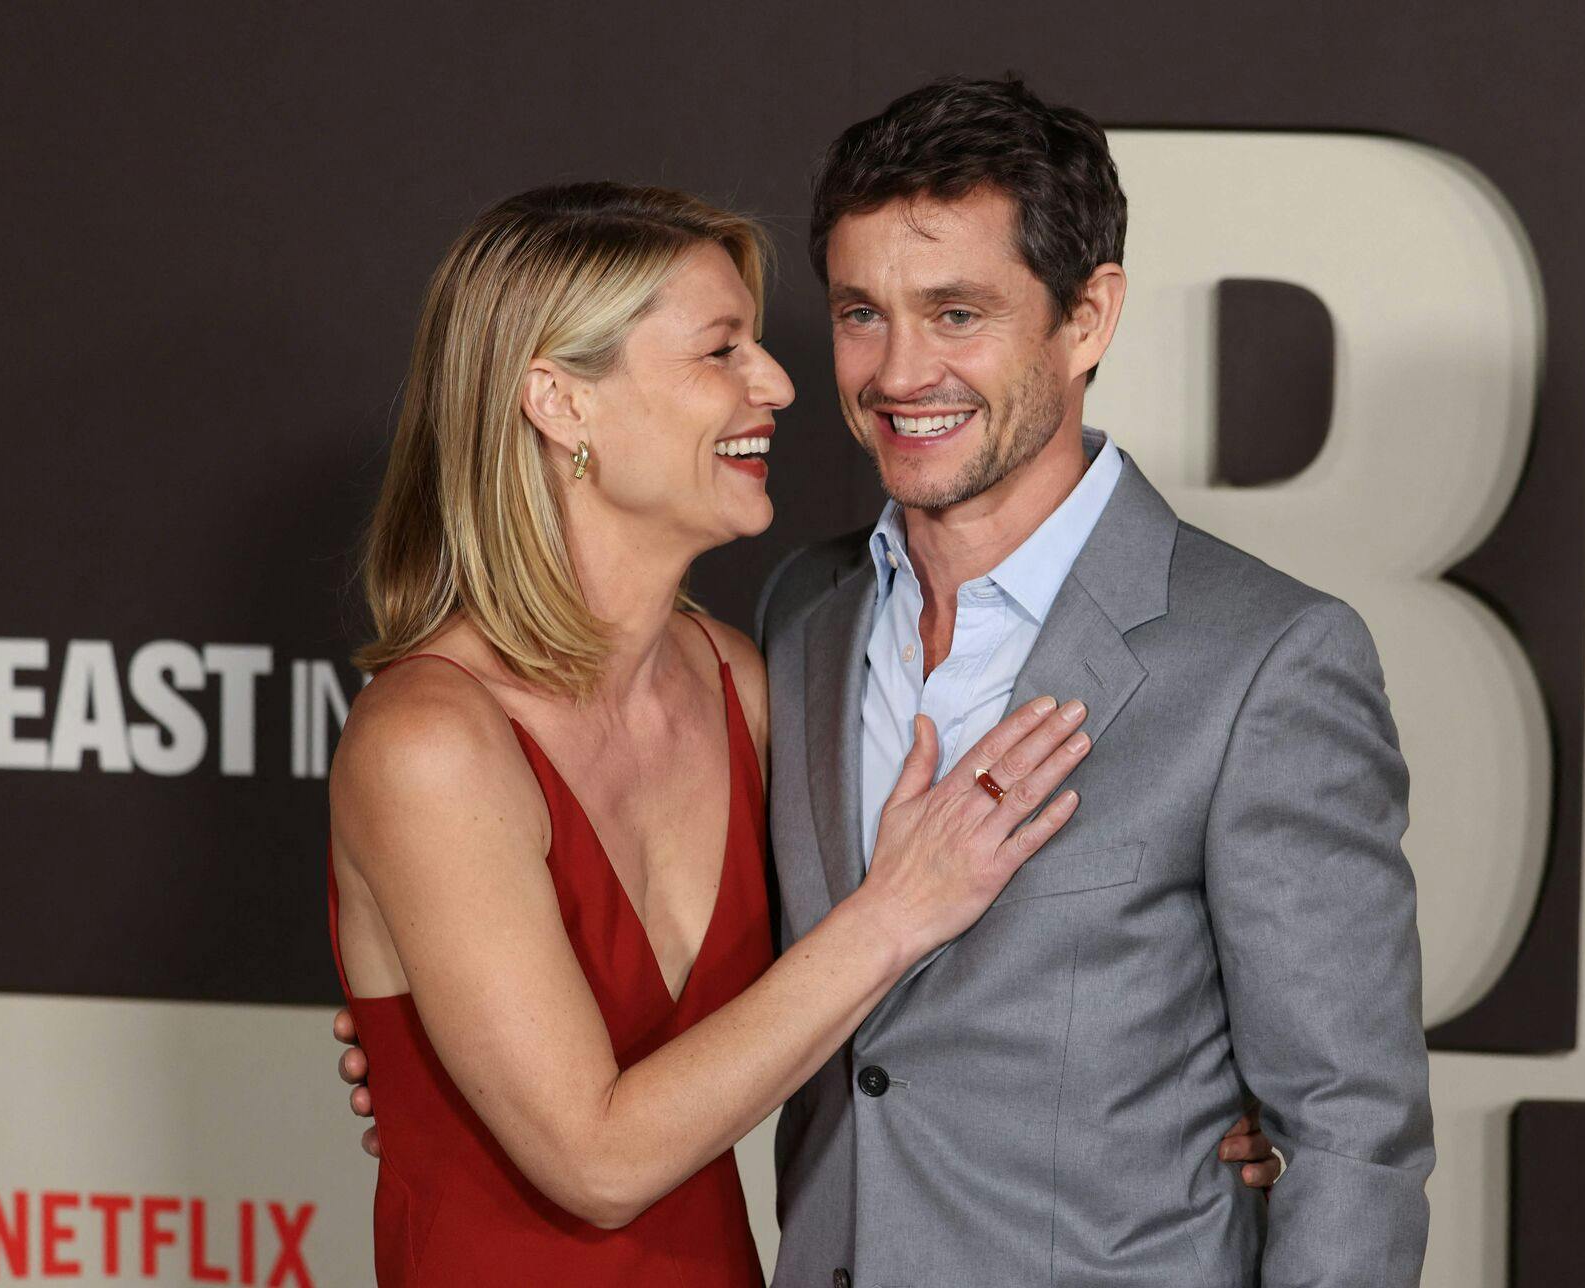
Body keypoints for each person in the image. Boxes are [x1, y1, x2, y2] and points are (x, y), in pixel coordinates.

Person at [325, 180, 1277, 1286]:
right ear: (558, 400)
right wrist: (897, 911)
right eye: (719, 351)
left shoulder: (744, 677)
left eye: (764, 347)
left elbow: (888, 1029)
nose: (777, 384)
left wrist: (1184, 1103)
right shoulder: (431, 743)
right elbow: (597, 1157)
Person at [750, 78, 1435, 1286]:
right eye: (863, 313)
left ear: (1088, 318)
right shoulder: (801, 615)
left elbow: (1351, 1137)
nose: (900, 373)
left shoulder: (1266, 661)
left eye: (957, 313)